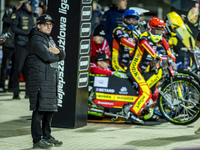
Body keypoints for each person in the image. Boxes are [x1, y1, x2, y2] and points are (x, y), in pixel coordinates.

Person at [27, 14, 66, 149]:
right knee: (39, 111)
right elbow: (48, 56)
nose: (49, 27)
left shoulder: (48, 38)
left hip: (49, 79)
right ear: (39, 26)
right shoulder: (36, 39)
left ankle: (47, 136)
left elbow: (61, 54)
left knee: (49, 109)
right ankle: (37, 140)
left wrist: (59, 52)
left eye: (50, 24)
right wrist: (58, 54)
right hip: (39, 80)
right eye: (46, 24)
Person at [10, 0, 39, 99]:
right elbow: (14, 28)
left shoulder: (35, 14)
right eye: (32, 7)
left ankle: (28, 93)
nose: (33, 10)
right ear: (27, 4)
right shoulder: (18, 13)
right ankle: (15, 93)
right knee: (18, 69)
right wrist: (27, 33)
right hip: (20, 45)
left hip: (31, 46)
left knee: (29, 70)